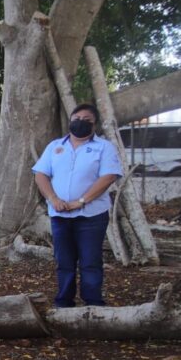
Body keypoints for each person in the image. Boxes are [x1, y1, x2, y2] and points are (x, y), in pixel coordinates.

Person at [33, 103, 122, 308]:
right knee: (64, 262)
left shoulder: (104, 147)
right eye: (76, 118)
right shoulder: (55, 146)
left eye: (86, 120)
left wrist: (81, 201)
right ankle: (64, 302)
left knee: (90, 261)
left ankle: (93, 303)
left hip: (91, 215)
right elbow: (40, 174)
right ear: (70, 120)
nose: (80, 122)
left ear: (94, 125)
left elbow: (108, 177)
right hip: (60, 215)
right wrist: (54, 199)